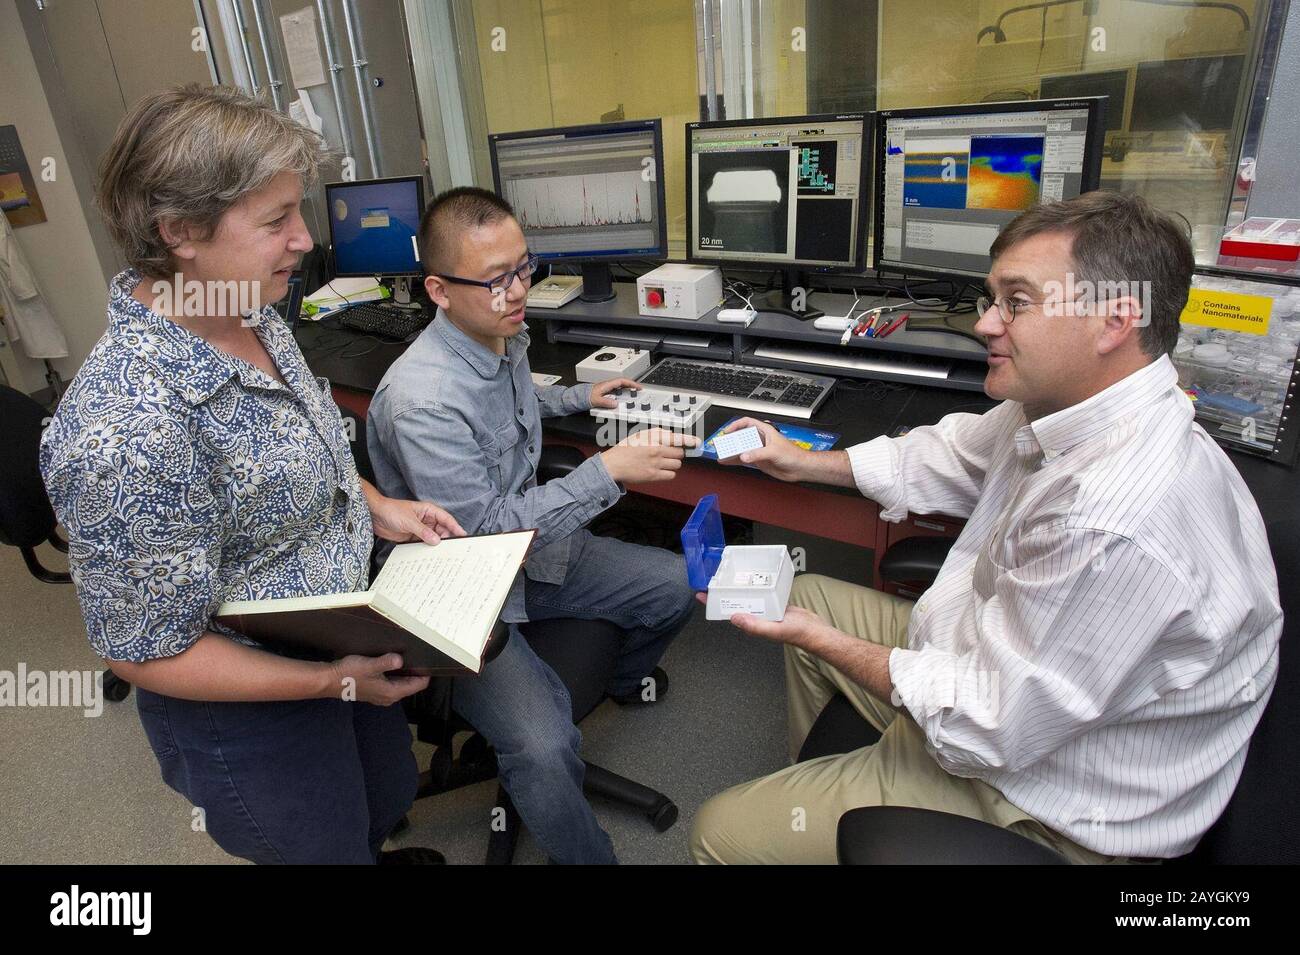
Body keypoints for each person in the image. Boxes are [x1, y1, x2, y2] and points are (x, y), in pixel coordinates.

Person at [689, 190, 1282, 864]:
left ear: (1113, 321)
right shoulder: (1069, 403)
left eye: (1017, 302)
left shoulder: (1114, 519)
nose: (985, 325)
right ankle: (840, 816)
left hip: (1049, 794)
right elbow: (951, 452)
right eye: (990, 299)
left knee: (717, 831)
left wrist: (820, 638)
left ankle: (864, 818)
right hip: (997, 675)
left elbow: (988, 721)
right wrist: (802, 463)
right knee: (806, 599)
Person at [40, 84, 461, 864]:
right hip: (255, 704)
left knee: (381, 802)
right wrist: (327, 682)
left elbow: (308, 443)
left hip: (343, 636)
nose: (304, 240)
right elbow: (144, 651)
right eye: (276, 222)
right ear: (179, 232)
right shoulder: (122, 430)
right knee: (321, 847)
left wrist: (373, 505)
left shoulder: (246, 307)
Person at [367, 187, 698, 864]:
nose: (518, 292)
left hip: (533, 556)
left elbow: (515, 399)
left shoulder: (499, 330)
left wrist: (580, 395)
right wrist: (608, 471)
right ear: (438, 289)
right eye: (496, 279)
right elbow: (487, 535)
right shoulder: (421, 401)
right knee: (544, 746)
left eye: (525, 269)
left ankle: (611, 681)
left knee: (679, 582)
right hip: (464, 589)